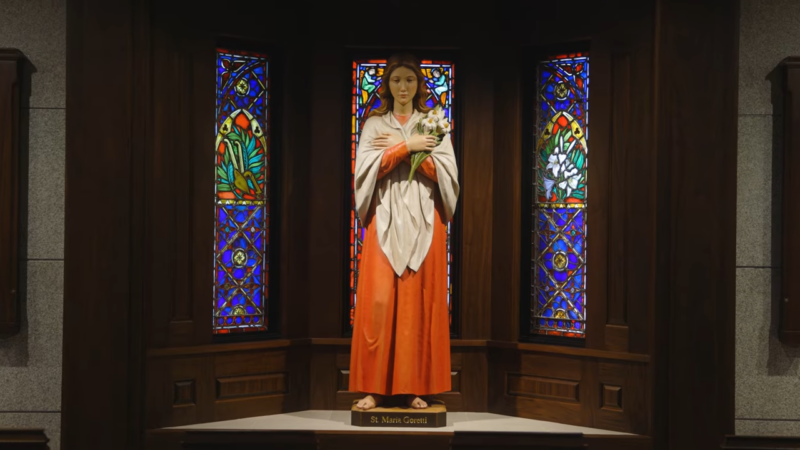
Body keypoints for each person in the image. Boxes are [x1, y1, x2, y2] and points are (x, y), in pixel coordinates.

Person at [349, 53, 459, 411]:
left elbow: (447, 173)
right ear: (387, 85)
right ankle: (374, 388)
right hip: (384, 218)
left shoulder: (432, 124)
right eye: (396, 80)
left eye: (409, 80)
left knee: (418, 305)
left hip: (425, 220)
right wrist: (406, 147)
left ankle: (416, 387)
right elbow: (365, 171)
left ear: (418, 85)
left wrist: (416, 154)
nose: (403, 87)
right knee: (378, 304)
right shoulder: (373, 125)